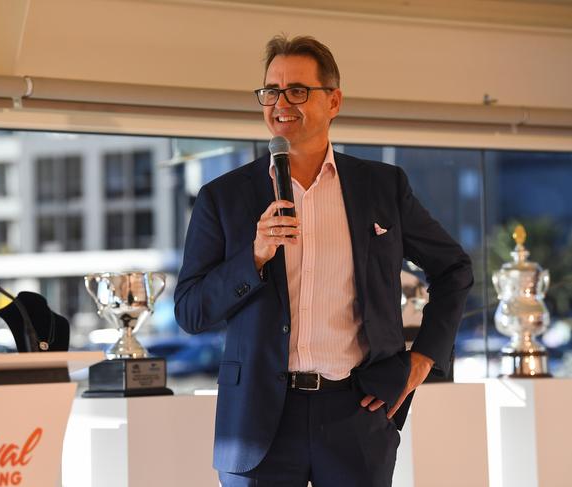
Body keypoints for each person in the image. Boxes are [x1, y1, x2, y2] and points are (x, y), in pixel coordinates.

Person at [175, 35, 473, 487]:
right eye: (271, 91)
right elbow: (190, 312)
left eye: (297, 90)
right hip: (258, 424)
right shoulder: (223, 198)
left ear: (333, 101)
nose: (280, 103)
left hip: (356, 412)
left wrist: (424, 359)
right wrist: (253, 256)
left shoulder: (383, 187)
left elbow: (454, 270)